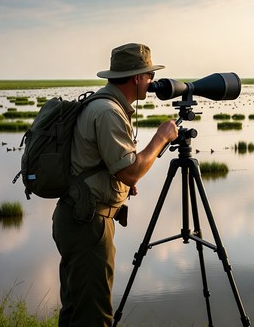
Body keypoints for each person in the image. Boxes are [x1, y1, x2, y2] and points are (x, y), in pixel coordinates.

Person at [52, 43, 179, 327]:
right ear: (136, 78)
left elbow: (97, 162)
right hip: (88, 224)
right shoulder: (109, 112)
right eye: (148, 75)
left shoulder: (101, 104)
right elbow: (131, 172)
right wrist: (161, 138)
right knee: (94, 317)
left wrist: (117, 183)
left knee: (76, 310)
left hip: (78, 217)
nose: (151, 82)